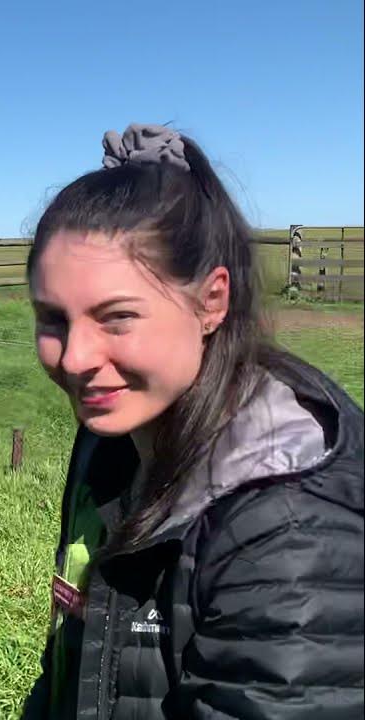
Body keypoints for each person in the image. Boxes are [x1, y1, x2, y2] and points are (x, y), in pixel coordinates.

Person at [20, 124, 364, 719]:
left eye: (117, 317)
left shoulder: (287, 534)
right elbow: (75, 663)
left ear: (211, 301)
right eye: (53, 320)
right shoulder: (116, 439)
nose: (75, 359)